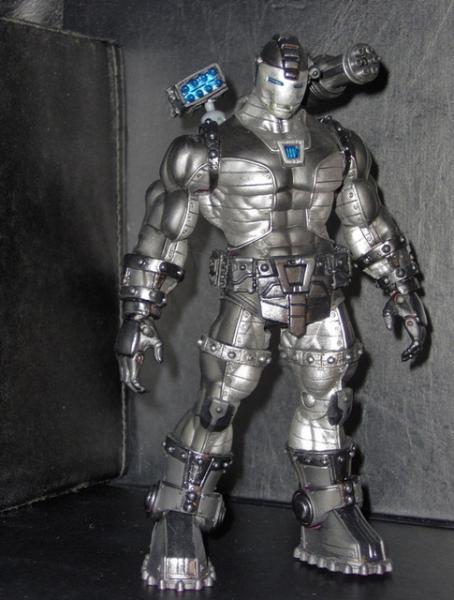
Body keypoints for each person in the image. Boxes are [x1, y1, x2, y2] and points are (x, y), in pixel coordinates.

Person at [115, 34, 427, 591]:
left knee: (329, 402)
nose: (289, 87)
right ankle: (180, 514)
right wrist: (139, 313)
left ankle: (329, 514)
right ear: (260, 74)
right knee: (219, 402)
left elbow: (366, 222)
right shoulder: (209, 147)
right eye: (280, 77)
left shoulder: (338, 143)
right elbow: (164, 232)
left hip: (323, 292)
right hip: (248, 293)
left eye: (298, 77)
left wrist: (401, 286)